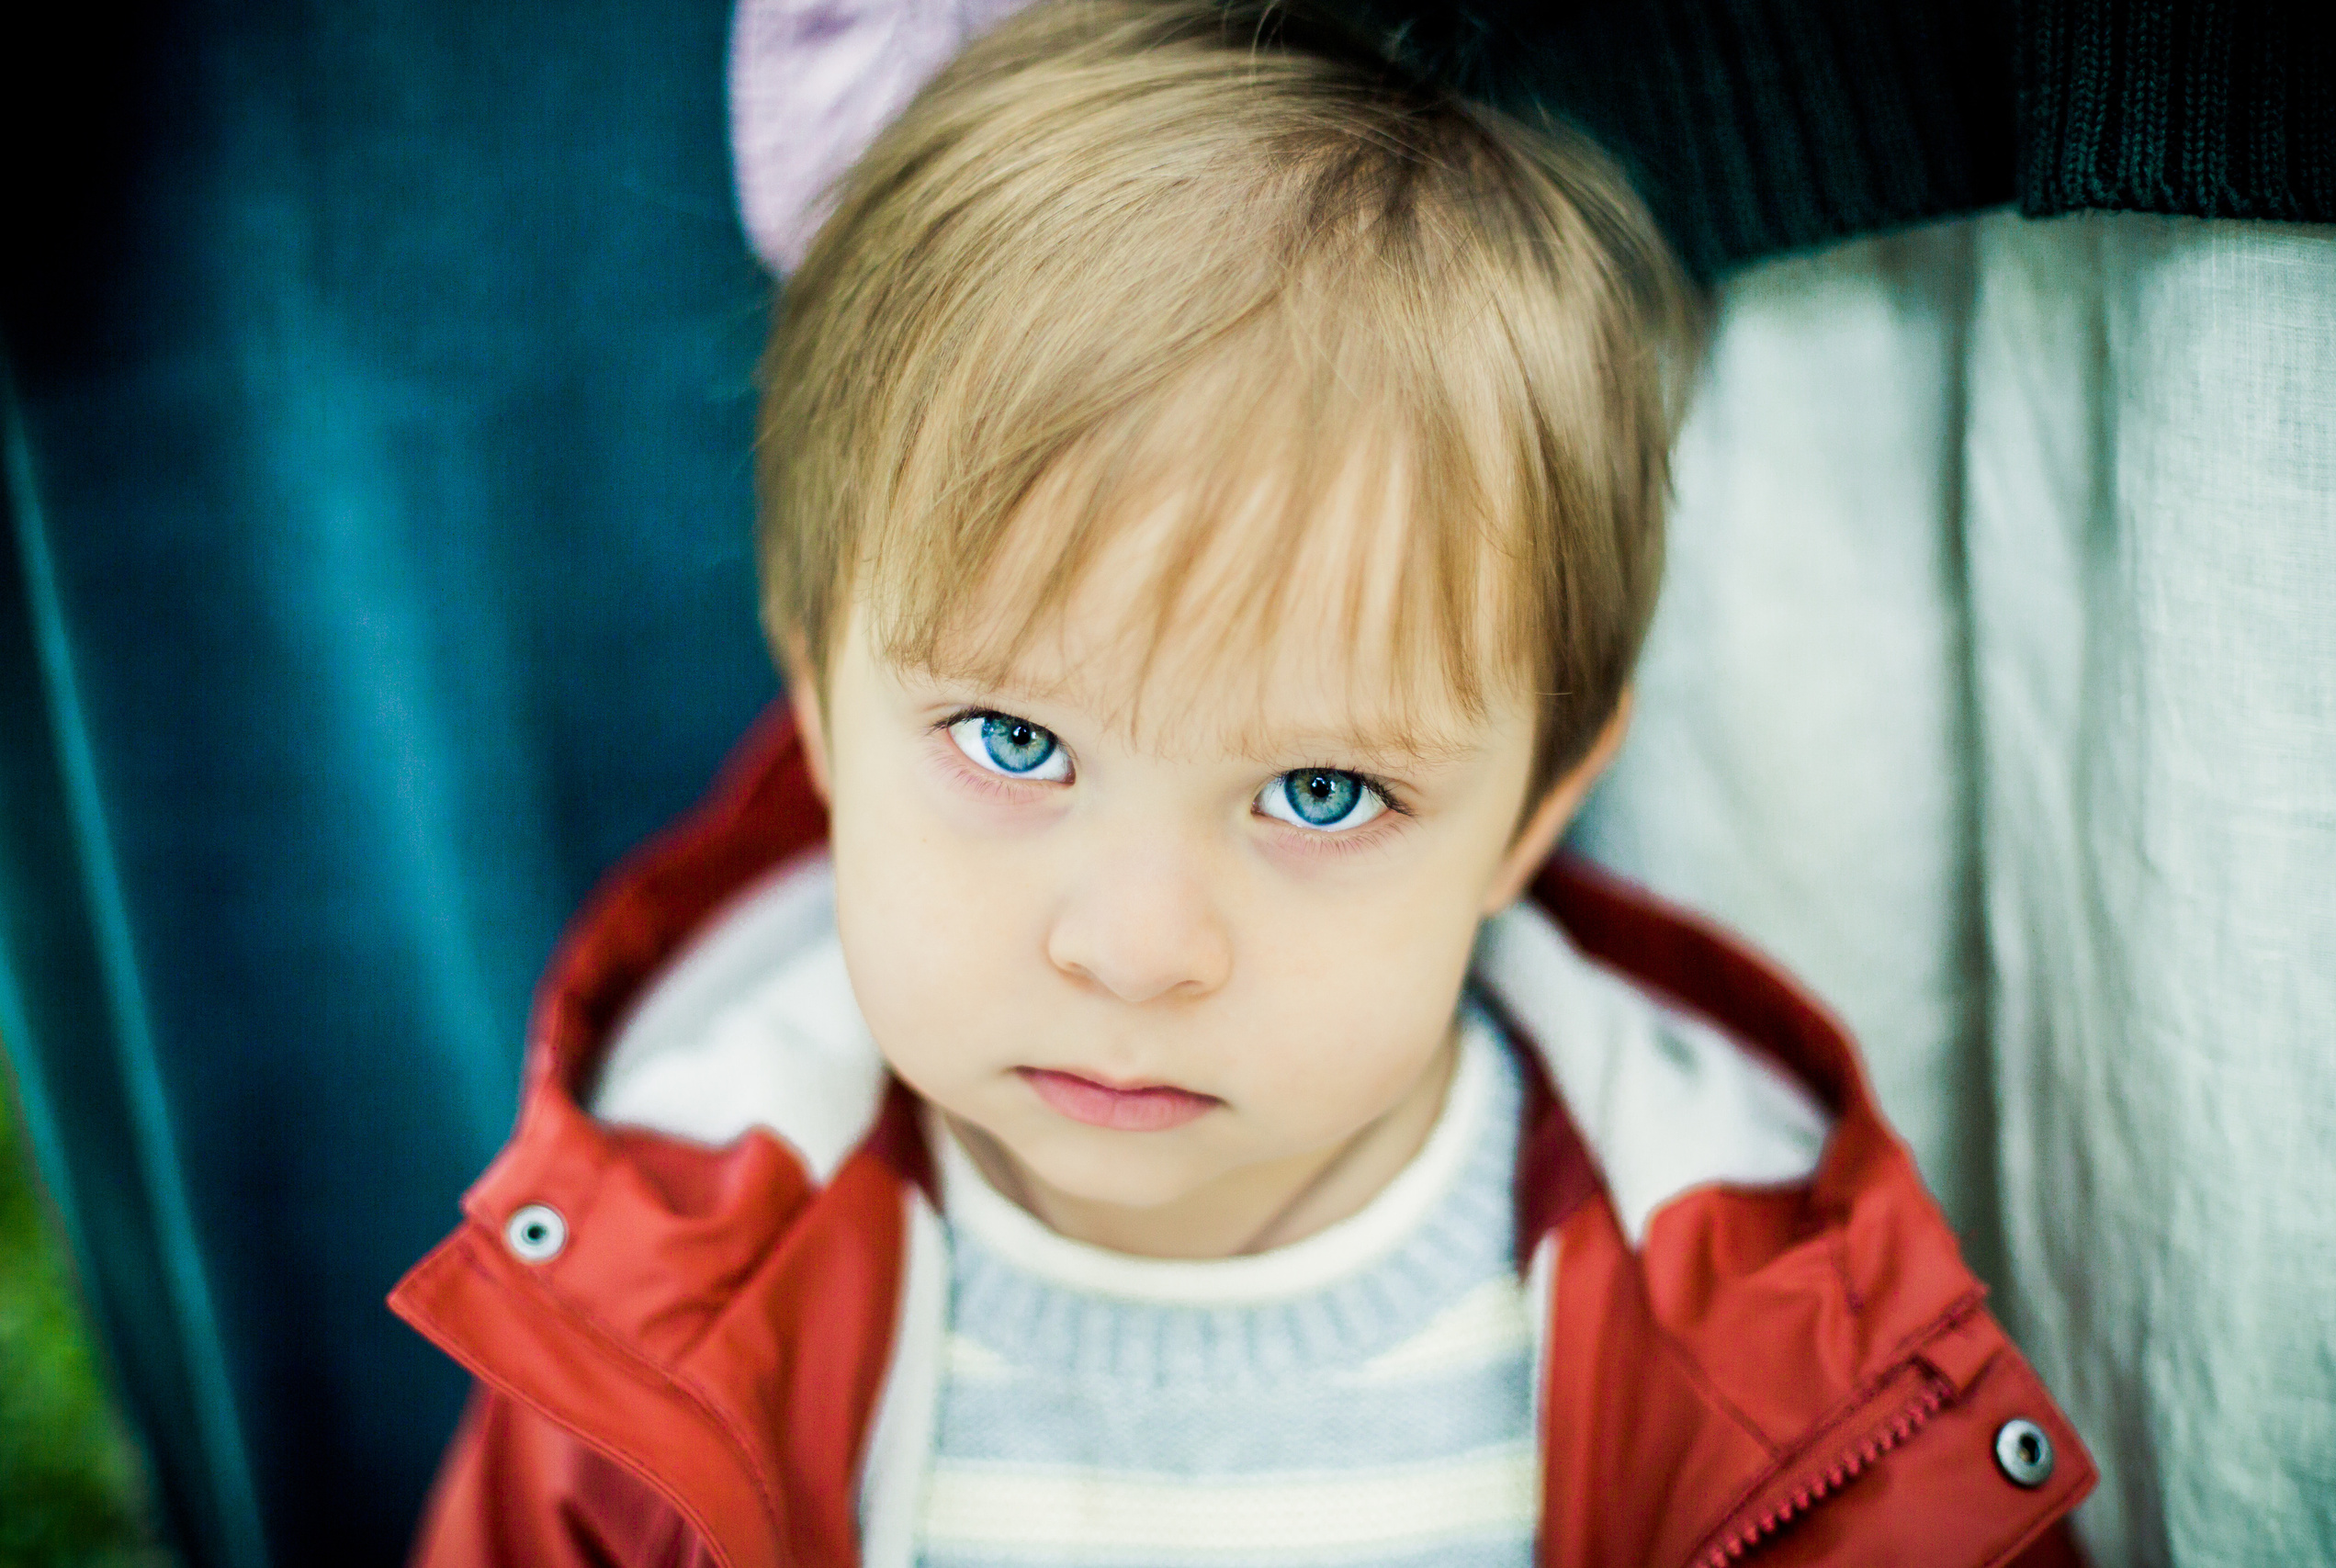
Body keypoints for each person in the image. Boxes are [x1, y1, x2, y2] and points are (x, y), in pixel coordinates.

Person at [389, 2, 2093, 1562]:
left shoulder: (1786, 1348)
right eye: (1015, 743)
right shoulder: (644, 1283)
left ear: (1541, 804)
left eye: (1325, 794)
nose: (1138, 951)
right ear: (820, 697)